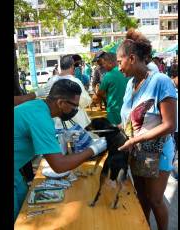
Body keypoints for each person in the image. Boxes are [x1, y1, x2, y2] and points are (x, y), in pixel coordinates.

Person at [14, 79, 107, 221]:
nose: (76, 110)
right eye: (74, 106)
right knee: (19, 216)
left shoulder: (39, 108)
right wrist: (93, 149)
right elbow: (59, 165)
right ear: (60, 103)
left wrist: (61, 137)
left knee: (23, 200)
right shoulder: (41, 118)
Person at [116, 28, 177, 230]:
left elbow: (170, 125)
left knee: (155, 200)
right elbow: (130, 118)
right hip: (137, 153)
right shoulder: (130, 84)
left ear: (131, 58)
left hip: (157, 153)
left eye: (119, 62)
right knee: (141, 197)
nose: (118, 68)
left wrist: (135, 139)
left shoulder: (161, 81)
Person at [38, 55, 92, 129]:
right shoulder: (75, 81)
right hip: (75, 120)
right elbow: (85, 101)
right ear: (72, 66)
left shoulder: (51, 80)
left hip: (55, 122)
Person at [94, 52, 129, 125]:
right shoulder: (127, 72)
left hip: (114, 110)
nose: (103, 66)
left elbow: (100, 94)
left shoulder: (109, 75)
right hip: (127, 110)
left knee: (115, 132)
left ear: (109, 62)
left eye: (104, 63)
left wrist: (96, 95)